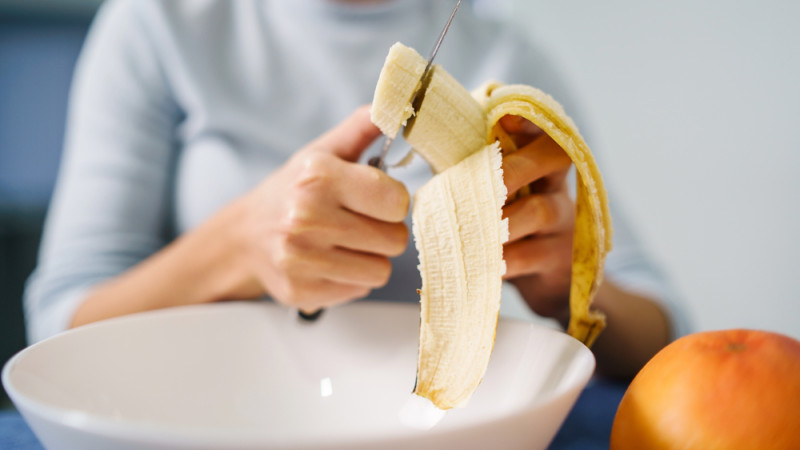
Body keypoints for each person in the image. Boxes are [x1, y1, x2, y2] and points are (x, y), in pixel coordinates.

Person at [25, 0, 687, 379]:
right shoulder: (159, 24)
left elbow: (666, 339)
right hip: (201, 409)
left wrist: (568, 282)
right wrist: (242, 247)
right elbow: (56, 328)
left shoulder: (506, 57)